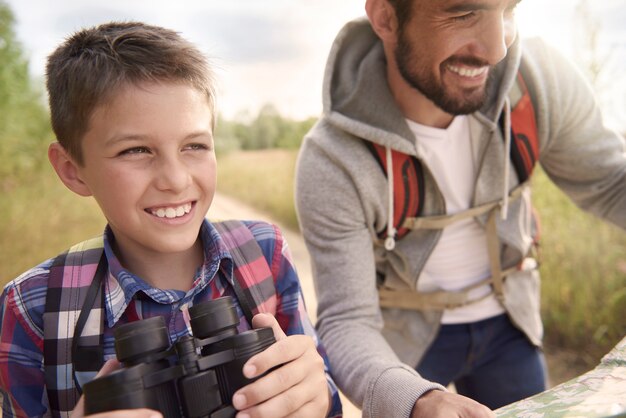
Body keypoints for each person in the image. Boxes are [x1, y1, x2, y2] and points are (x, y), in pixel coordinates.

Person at [295, 0, 626, 417]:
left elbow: (613, 182)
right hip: (404, 341)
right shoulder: (333, 159)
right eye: (463, 13)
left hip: (509, 324)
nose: (497, 49)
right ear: (385, 17)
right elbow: (347, 321)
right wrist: (415, 400)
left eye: (507, 11)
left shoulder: (538, 82)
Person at [0, 21, 342, 418]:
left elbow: (318, 386)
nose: (176, 179)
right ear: (73, 169)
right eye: (136, 150)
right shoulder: (32, 306)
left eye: (194, 145)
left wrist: (318, 397)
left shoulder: (264, 253)